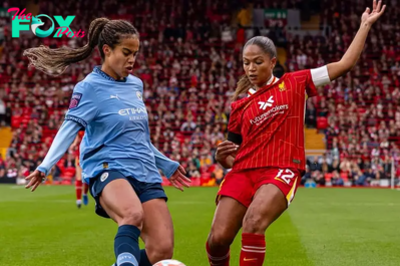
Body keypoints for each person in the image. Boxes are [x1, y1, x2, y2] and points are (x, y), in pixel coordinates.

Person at [205, 1, 385, 266]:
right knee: (217, 239)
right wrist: (223, 159)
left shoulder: (296, 82)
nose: (251, 68)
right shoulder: (238, 107)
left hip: (280, 168)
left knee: (253, 222)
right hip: (243, 171)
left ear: (272, 62)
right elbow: (232, 157)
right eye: (246, 63)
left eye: (257, 62)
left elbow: (345, 64)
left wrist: (364, 26)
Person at [23, 18, 191, 266]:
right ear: (106, 50)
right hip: (108, 167)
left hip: (144, 169)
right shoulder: (89, 87)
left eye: (135, 53)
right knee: (132, 214)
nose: (132, 59)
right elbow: (69, 128)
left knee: (162, 249)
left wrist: (166, 164)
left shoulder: (136, 85)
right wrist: (45, 166)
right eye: (126, 52)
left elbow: (138, 138)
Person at [71, 130, 89, 208]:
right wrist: (74, 144)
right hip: (80, 156)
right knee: (79, 177)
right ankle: (78, 200)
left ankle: (84, 193)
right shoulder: (81, 129)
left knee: (87, 177)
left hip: (89, 155)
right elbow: (78, 137)